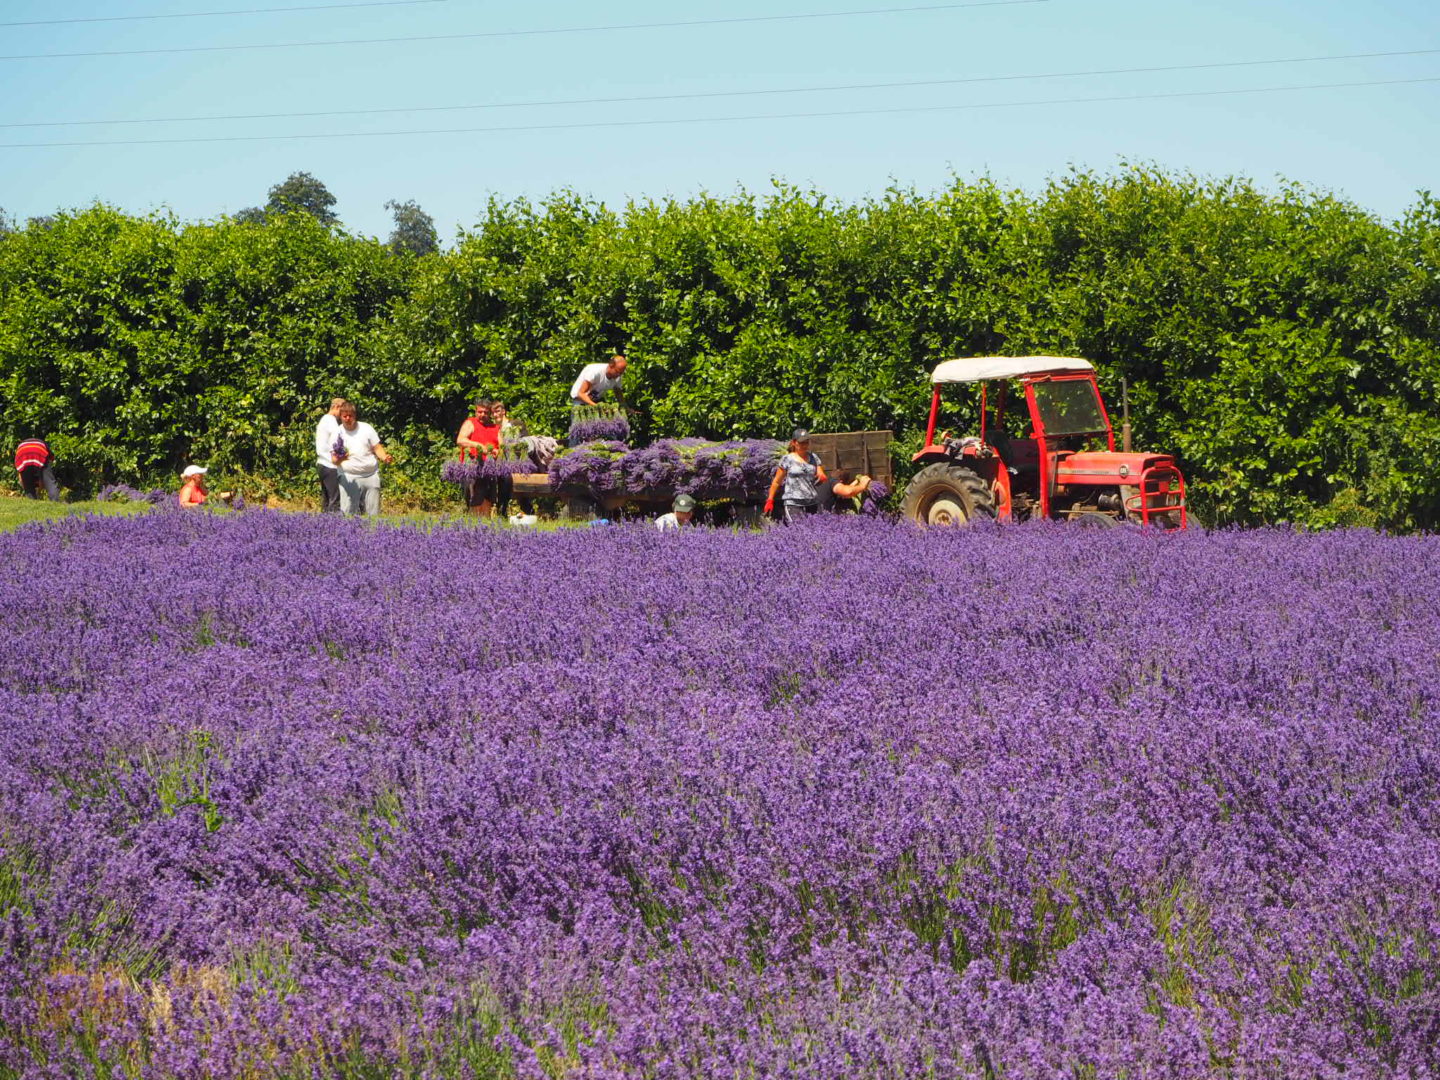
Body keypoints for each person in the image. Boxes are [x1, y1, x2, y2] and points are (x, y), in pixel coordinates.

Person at [332, 403, 392, 516]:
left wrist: (384, 457)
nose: (348, 418)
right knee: (348, 513)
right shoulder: (337, 433)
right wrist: (341, 459)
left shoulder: (366, 428)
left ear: (355, 416)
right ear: (341, 417)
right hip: (348, 476)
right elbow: (334, 460)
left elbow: (377, 447)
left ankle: (373, 532)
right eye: (345, 416)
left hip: (371, 475)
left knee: (373, 513)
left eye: (350, 415)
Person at [764, 428, 827, 523]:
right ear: (794, 442)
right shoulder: (787, 459)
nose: (804, 445)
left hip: (812, 502)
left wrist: (822, 475)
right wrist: (770, 500)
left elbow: (820, 471)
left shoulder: (814, 457)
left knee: (815, 531)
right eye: (801, 443)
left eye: (806, 442)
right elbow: (777, 481)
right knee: (799, 530)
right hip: (793, 503)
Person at [456, 399, 502, 514]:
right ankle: (470, 512)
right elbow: (460, 440)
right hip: (472, 465)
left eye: (485, 412)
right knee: (471, 492)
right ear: (476, 412)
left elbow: (502, 447)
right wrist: (478, 445)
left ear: (490, 413)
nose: (482, 415)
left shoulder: (495, 428)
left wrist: (497, 451)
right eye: (480, 412)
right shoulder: (470, 423)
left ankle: (497, 512)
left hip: (490, 467)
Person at [314, 397, 346, 513]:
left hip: (321, 464)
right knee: (335, 499)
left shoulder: (323, 420)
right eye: (341, 411)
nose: (342, 415)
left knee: (326, 499)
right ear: (336, 407)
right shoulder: (331, 421)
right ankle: (333, 527)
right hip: (330, 464)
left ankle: (323, 526)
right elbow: (336, 443)